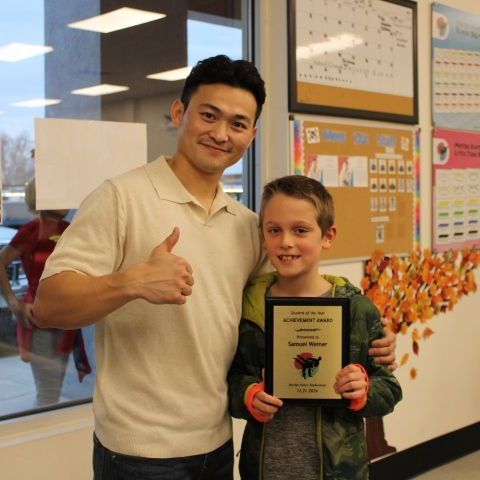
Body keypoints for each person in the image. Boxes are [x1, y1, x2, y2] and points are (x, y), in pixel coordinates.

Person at [33, 55, 396, 479]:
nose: (221, 133)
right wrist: (130, 282)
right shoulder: (121, 198)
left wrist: (369, 331)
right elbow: (48, 307)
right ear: (179, 113)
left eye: (238, 124)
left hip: (221, 443)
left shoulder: (245, 224)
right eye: (209, 115)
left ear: (252, 135)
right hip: (139, 453)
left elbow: (298, 286)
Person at [228, 175, 402, 480]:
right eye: (274, 230)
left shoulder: (356, 310)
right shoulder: (249, 307)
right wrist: (248, 394)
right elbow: (231, 379)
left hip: (338, 471)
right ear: (263, 235)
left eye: (300, 230)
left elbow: (389, 388)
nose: (286, 242)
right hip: (266, 468)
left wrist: (363, 391)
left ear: (327, 236)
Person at [0, 178, 90, 407]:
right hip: (39, 319)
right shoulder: (32, 231)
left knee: (54, 389)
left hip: (68, 320)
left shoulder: (68, 230)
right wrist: (13, 302)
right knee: (48, 394)